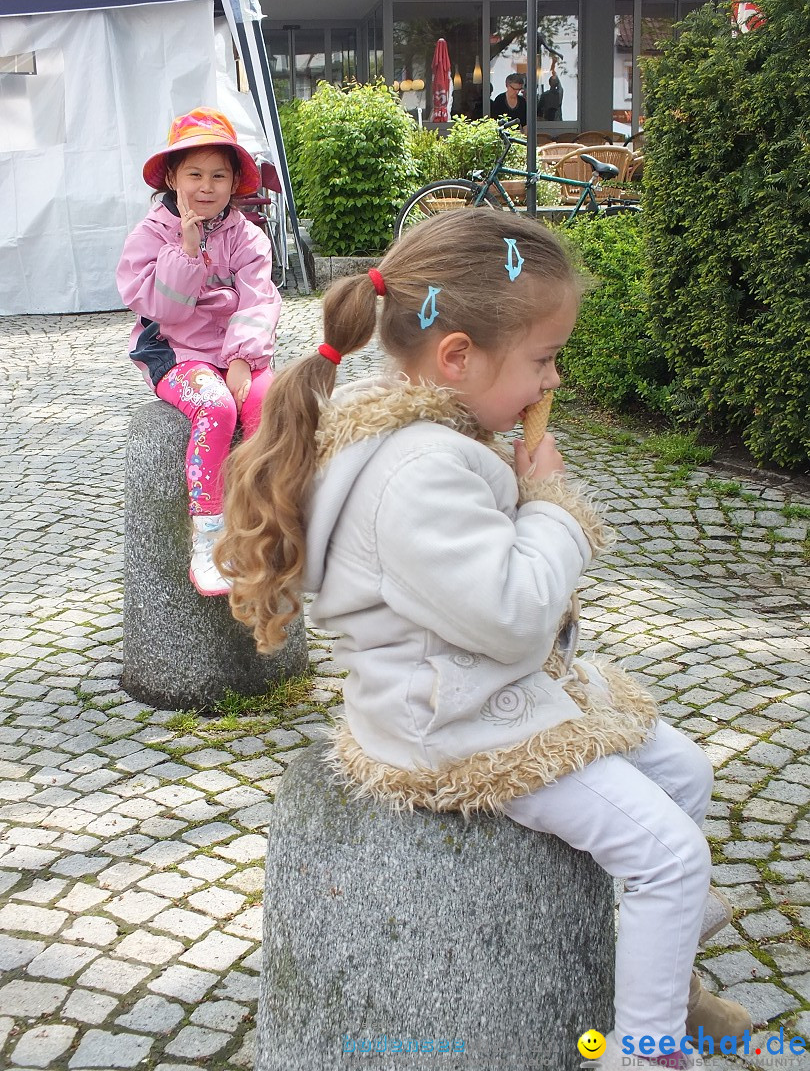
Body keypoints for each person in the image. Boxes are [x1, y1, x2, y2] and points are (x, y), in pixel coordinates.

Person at [218, 211, 752, 1070]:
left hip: (474, 683)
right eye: (542, 361)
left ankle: (665, 978)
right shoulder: (421, 471)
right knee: (668, 853)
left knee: (684, 768)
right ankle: (649, 1050)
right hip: (452, 722)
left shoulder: (433, 435)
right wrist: (551, 507)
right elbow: (510, 615)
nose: (553, 381)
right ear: (457, 357)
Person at [117, 107, 281, 597]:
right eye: (194, 174)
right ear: (172, 177)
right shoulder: (149, 235)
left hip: (235, 351)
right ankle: (208, 538)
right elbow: (162, 309)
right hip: (175, 352)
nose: (206, 187)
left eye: (218, 175)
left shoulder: (249, 237)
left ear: (235, 183)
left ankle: (264, 527)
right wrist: (187, 251)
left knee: (270, 406)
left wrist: (242, 359)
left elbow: (259, 298)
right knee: (215, 406)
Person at [538, 55, 564, 121]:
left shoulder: (558, 93)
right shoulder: (546, 95)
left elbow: (554, 75)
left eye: (555, 81)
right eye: (553, 81)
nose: (555, 82)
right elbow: (539, 109)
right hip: (547, 120)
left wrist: (553, 64)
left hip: (556, 120)